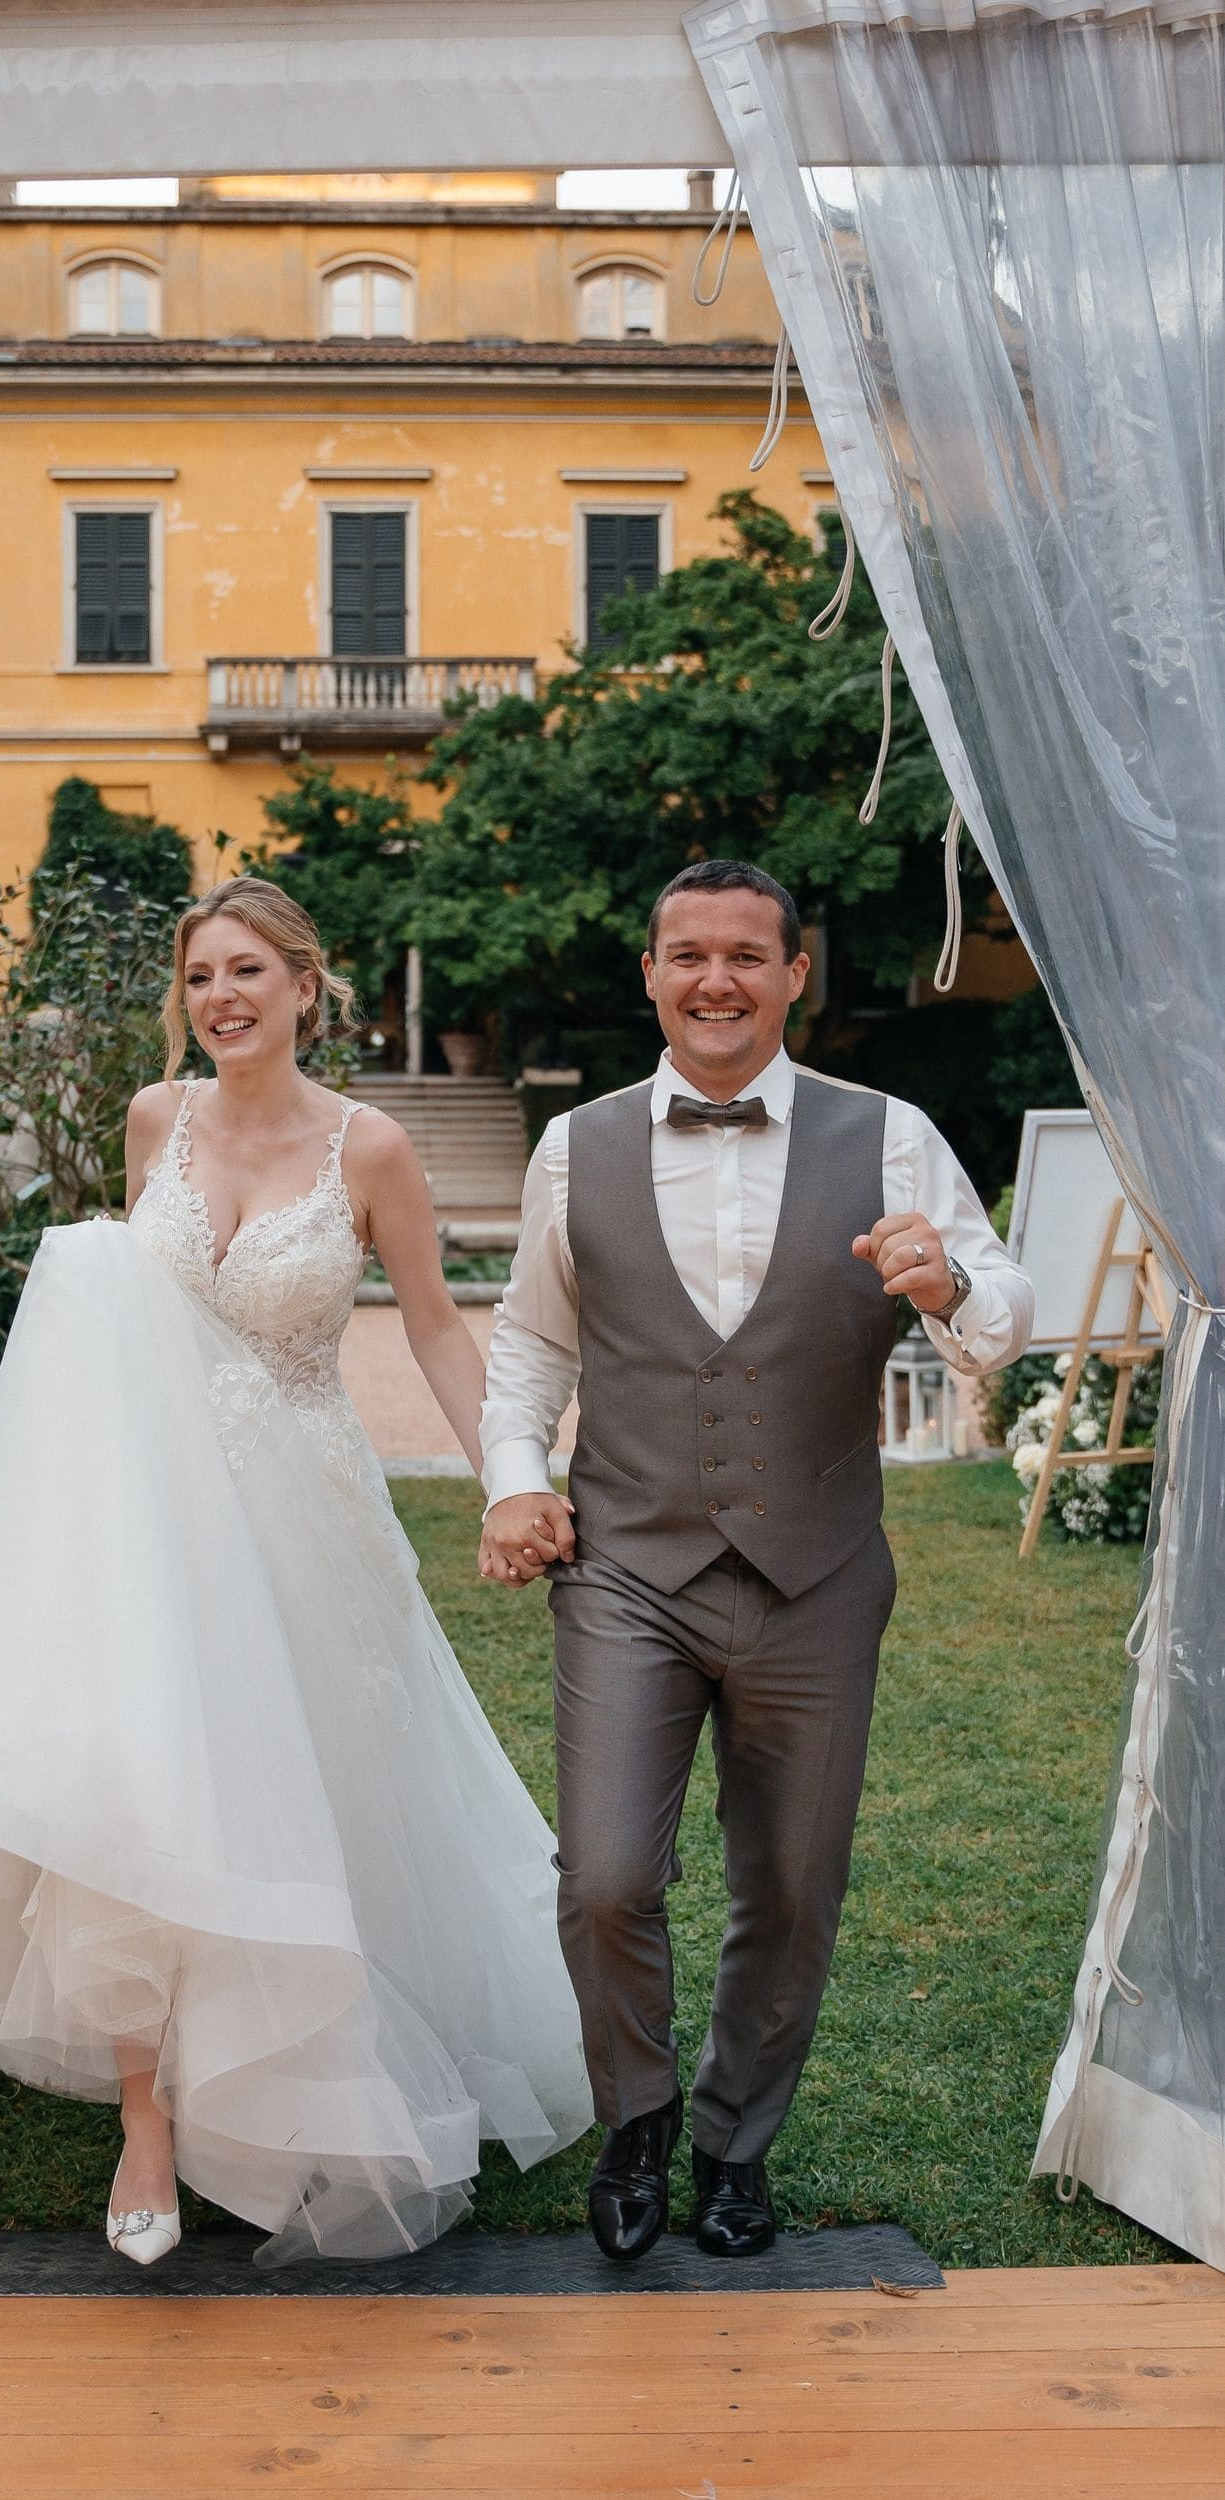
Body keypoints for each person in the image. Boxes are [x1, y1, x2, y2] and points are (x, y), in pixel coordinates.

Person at [0, 877, 590, 2268]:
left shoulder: (373, 1148)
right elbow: (115, 1325)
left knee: (285, 1799)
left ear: (304, 985)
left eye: (248, 973)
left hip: (297, 1516)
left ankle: (293, 2048)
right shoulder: (158, 1119)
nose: (222, 998)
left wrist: (510, 1477)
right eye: (202, 977)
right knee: (136, 1793)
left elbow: (444, 1336)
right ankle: (146, 2113)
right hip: (133, 1522)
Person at [478, 859, 1033, 2263]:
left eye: (744, 955)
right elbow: (533, 1344)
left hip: (820, 1568)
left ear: (796, 976)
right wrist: (515, 1481)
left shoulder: (891, 1135)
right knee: (605, 1872)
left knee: (791, 1882)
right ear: (651, 976)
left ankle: (732, 2142)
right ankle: (640, 2118)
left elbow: (1005, 1309)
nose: (713, 979)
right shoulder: (576, 1147)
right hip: (627, 1568)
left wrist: (951, 1286)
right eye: (685, 955)